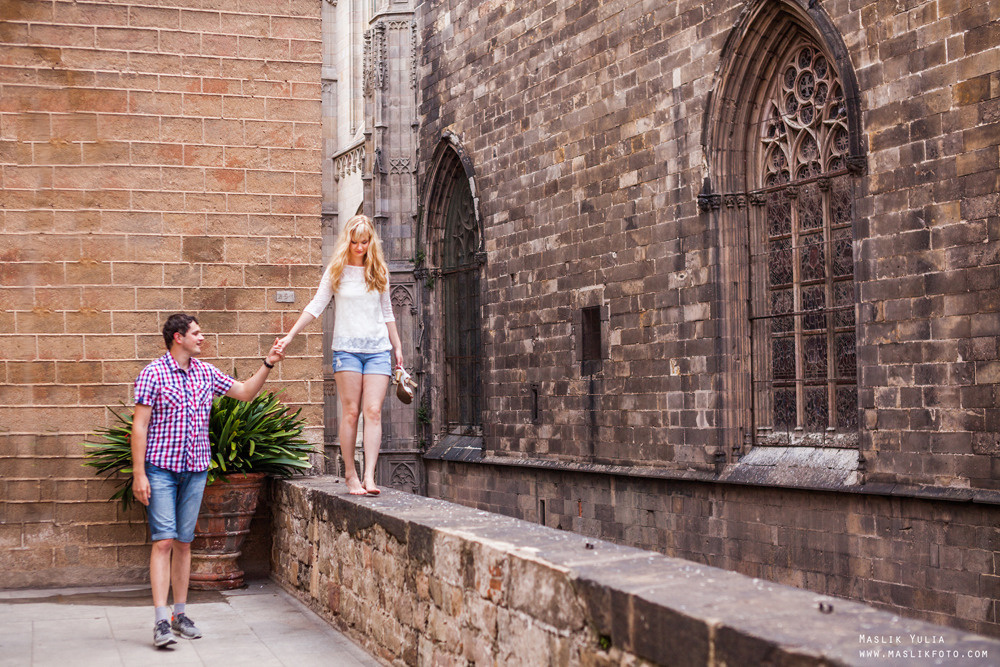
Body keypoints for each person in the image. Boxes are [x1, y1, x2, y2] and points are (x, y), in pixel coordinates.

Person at [132, 313, 284, 648]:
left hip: (196, 470)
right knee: (164, 541)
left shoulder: (205, 372)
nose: (202, 338)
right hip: (159, 470)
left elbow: (244, 392)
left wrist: (268, 363)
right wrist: (139, 474)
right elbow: (139, 426)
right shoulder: (152, 374)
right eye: (196, 333)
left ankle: (180, 615)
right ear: (178, 337)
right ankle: (160, 620)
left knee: (185, 541)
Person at [275, 214, 403, 496]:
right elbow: (316, 305)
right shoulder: (336, 271)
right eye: (355, 241)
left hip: (378, 350)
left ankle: (370, 477)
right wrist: (290, 335)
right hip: (347, 350)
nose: (359, 247)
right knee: (351, 413)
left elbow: (387, 313)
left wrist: (398, 346)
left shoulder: (379, 272)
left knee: (373, 412)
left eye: (365, 241)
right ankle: (350, 474)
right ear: (348, 240)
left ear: (371, 242)